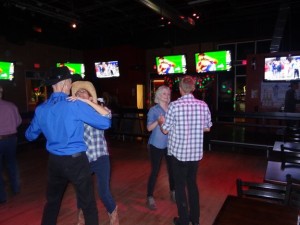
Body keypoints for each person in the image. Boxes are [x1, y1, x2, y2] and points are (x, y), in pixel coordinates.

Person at [25, 66, 111, 225]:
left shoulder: (41, 109)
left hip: (54, 162)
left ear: (53, 85)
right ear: (65, 84)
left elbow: (29, 136)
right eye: (70, 83)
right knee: (88, 204)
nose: (71, 86)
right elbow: (105, 122)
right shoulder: (74, 105)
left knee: (52, 203)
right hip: (76, 162)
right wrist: (85, 101)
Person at [158, 75, 212, 225]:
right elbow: (207, 128)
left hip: (178, 154)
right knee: (192, 185)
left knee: (180, 187)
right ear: (193, 88)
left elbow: (165, 131)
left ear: (180, 89)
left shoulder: (174, 106)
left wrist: (161, 122)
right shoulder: (203, 105)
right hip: (195, 154)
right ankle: (195, 220)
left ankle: (183, 220)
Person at [70, 81, 119, 225]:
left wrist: (89, 102)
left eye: (83, 92)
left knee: (103, 191)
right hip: (83, 157)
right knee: (82, 190)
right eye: (78, 93)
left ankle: (113, 212)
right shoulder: (76, 113)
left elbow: (107, 116)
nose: (80, 94)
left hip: (100, 156)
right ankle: (81, 215)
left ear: (91, 96)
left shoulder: (99, 109)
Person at [146, 85, 175, 210]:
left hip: (171, 144)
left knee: (172, 170)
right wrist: (158, 122)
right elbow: (148, 128)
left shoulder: (172, 108)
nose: (167, 96)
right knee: (155, 171)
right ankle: (150, 196)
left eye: (168, 94)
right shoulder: (154, 110)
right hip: (156, 144)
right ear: (158, 95)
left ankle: (173, 192)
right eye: (164, 94)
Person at [0, 85, 22, 204]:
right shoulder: (11, 106)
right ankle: (16, 188)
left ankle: (2, 196)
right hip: (11, 139)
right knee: (12, 163)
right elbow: (18, 122)